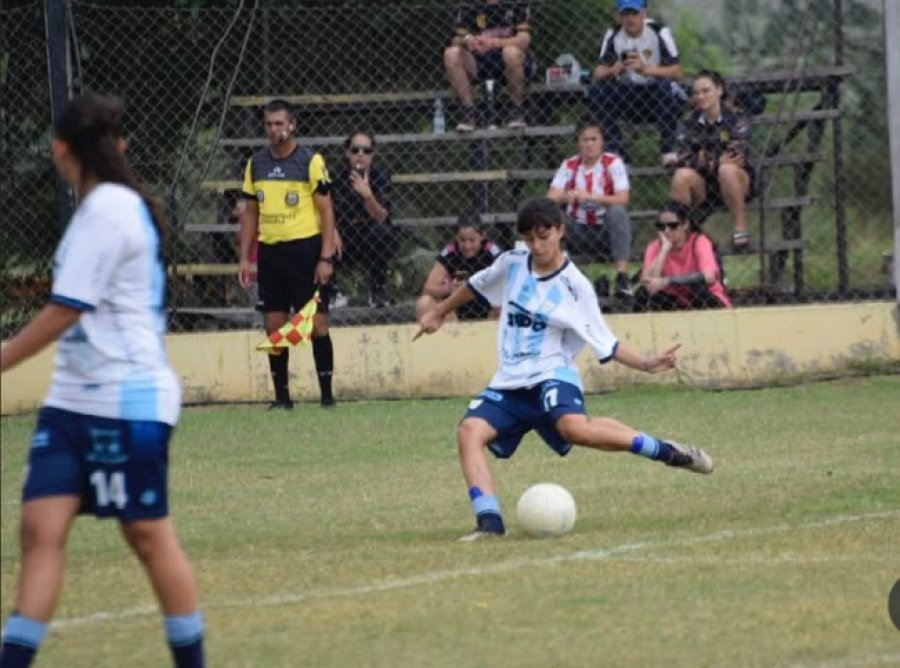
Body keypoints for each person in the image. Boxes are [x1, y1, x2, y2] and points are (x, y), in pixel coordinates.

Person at [0, 93, 205, 667]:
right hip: (70, 401)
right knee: (40, 532)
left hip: (128, 400)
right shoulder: (99, 208)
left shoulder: (109, 210)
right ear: (119, 146)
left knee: (146, 535)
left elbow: (67, 308)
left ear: (60, 150)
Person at [417, 197, 715, 542]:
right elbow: (475, 286)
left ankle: (665, 450)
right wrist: (439, 312)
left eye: (544, 236)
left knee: (574, 428)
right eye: (529, 238)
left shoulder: (576, 287)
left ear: (560, 231)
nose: (537, 245)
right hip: (510, 381)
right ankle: (489, 523)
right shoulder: (512, 263)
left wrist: (647, 364)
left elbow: (607, 342)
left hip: (552, 375)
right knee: (469, 432)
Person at [238, 99, 338, 409]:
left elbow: (326, 211)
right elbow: (251, 213)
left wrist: (325, 258)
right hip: (271, 253)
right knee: (273, 326)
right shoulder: (256, 163)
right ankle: (282, 398)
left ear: (292, 125)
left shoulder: (310, 160)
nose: (274, 130)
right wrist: (245, 256)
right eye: (269, 124)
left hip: (305, 251)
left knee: (318, 325)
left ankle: (326, 396)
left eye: (279, 124)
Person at [587, 0, 684, 166]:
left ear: (644, 13)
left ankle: (668, 149)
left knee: (665, 86)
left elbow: (677, 72)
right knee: (597, 90)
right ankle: (614, 150)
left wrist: (645, 69)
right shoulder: (613, 33)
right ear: (618, 16)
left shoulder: (659, 31)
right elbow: (597, 72)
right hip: (626, 95)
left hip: (655, 95)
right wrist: (613, 70)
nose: (630, 19)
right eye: (625, 14)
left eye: (634, 13)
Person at [546, 120, 634, 298]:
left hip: (605, 230)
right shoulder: (569, 165)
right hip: (578, 229)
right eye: (584, 140)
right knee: (555, 216)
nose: (589, 144)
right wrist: (566, 196)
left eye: (594, 139)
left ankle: (622, 278)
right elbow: (550, 197)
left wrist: (593, 197)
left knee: (618, 212)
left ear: (602, 142)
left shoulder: (613, 163)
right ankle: (563, 275)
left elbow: (623, 199)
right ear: (578, 142)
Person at [669, 69, 754, 251]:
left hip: (737, 183)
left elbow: (735, 154)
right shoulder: (687, 122)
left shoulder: (737, 117)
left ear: (719, 90)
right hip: (704, 185)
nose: (700, 96)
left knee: (727, 170)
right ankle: (688, 235)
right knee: (681, 176)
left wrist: (702, 158)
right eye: (696, 92)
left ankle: (740, 229)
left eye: (705, 91)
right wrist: (715, 160)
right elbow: (683, 158)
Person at [330, 129, 400, 308]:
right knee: (320, 235)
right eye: (355, 150)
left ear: (372, 154)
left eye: (366, 151)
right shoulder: (335, 175)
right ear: (347, 153)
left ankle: (377, 290)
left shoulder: (380, 175)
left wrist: (368, 195)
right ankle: (331, 292)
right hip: (343, 234)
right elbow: (325, 210)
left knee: (383, 232)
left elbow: (382, 216)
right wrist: (331, 230)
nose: (360, 155)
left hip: (369, 234)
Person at [444, 0, 533, 131]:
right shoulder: (471, 4)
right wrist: (469, 41)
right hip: (479, 61)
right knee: (451, 54)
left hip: (513, 62)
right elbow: (456, 38)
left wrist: (493, 43)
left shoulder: (517, 3)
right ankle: (469, 112)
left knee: (511, 52)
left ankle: (516, 110)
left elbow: (524, 40)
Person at [636, 201, 731, 310]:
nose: (667, 231)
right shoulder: (654, 247)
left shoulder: (699, 241)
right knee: (645, 296)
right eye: (661, 226)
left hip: (706, 300)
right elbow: (649, 284)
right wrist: (664, 250)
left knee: (697, 290)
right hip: (676, 302)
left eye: (673, 226)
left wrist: (668, 281)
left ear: (685, 224)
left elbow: (708, 276)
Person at [414, 212, 502, 321]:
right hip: (453, 311)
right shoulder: (450, 253)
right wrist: (449, 288)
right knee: (424, 303)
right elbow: (428, 289)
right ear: (456, 237)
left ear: (482, 236)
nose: (467, 246)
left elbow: (506, 285)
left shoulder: (492, 252)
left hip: (488, 308)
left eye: (472, 240)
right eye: (462, 240)